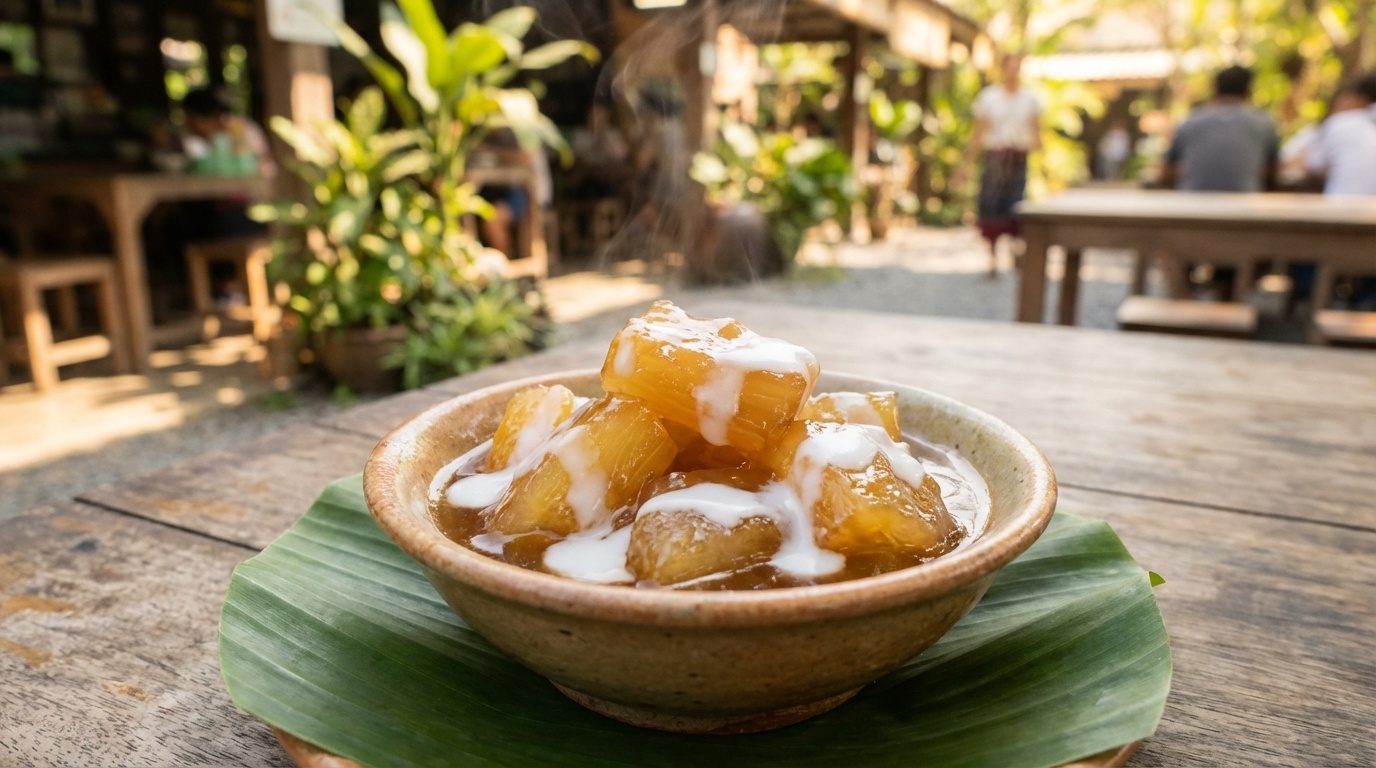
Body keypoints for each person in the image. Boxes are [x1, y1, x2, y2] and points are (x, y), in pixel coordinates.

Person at [967, 53, 1041, 276]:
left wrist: (1043, 164)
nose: (1013, 72)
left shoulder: (1030, 99)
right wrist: (967, 162)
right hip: (995, 157)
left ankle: (1015, 252)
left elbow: (1037, 132)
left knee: (1016, 206)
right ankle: (992, 258)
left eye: (1017, 67)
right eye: (1010, 67)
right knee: (990, 207)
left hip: (1018, 158)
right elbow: (978, 131)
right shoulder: (989, 97)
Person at [1160, 65, 1278, 192]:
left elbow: (1165, 169)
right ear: (1249, 91)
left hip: (1192, 205)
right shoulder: (1263, 122)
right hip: (1244, 205)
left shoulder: (1191, 120)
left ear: (1215, 90)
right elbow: (1272, 169)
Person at [1304, 80, 1376, 196]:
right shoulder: (1344, 124)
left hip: (1341, 209)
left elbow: (1313, 167)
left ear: (1358, 99)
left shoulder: (1340, 124)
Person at [181, 88, 273, 177]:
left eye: (191, 119)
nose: (188, 124)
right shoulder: (195, 138)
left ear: (212, 116)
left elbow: (263, 163)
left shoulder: (241, 129)